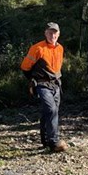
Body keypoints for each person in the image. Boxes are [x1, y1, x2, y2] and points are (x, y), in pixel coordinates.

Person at [21, 22, 67, 153]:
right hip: (41, 84)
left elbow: (57, 68)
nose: (53, 35)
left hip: (55, 84)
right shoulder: (37, 48)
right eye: (50, 32)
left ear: (58, 34)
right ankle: (54, 142)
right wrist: (33, 80)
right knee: (51, 109)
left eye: (55, 33)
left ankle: (45, 141)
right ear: (45, 33)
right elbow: (25, 67)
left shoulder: (60, 48)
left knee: (50, 112)